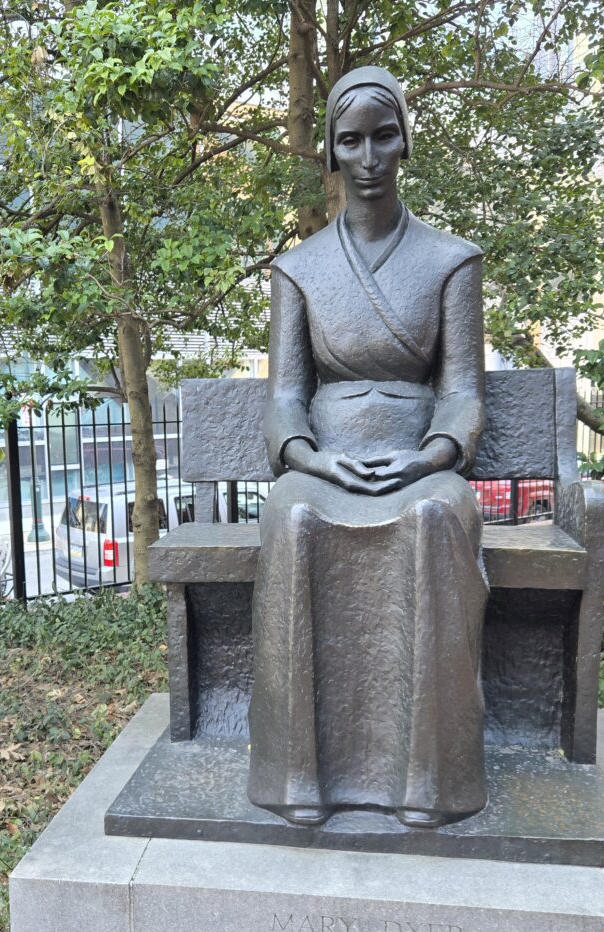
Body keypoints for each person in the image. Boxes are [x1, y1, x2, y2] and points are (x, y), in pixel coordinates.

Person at [248, 66, 488, 829]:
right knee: (291, 521)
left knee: (435, 520)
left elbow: (462, 392)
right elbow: (284, 395)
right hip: (325, 464)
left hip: (420, 463)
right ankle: (297, 780)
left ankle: (429, 781)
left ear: (406, 140)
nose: (370, 157)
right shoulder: (299, 267)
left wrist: (434, 454)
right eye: (351, 141)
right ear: (331, 152)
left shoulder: (452, 259)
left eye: (384, 136)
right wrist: (311, 459)